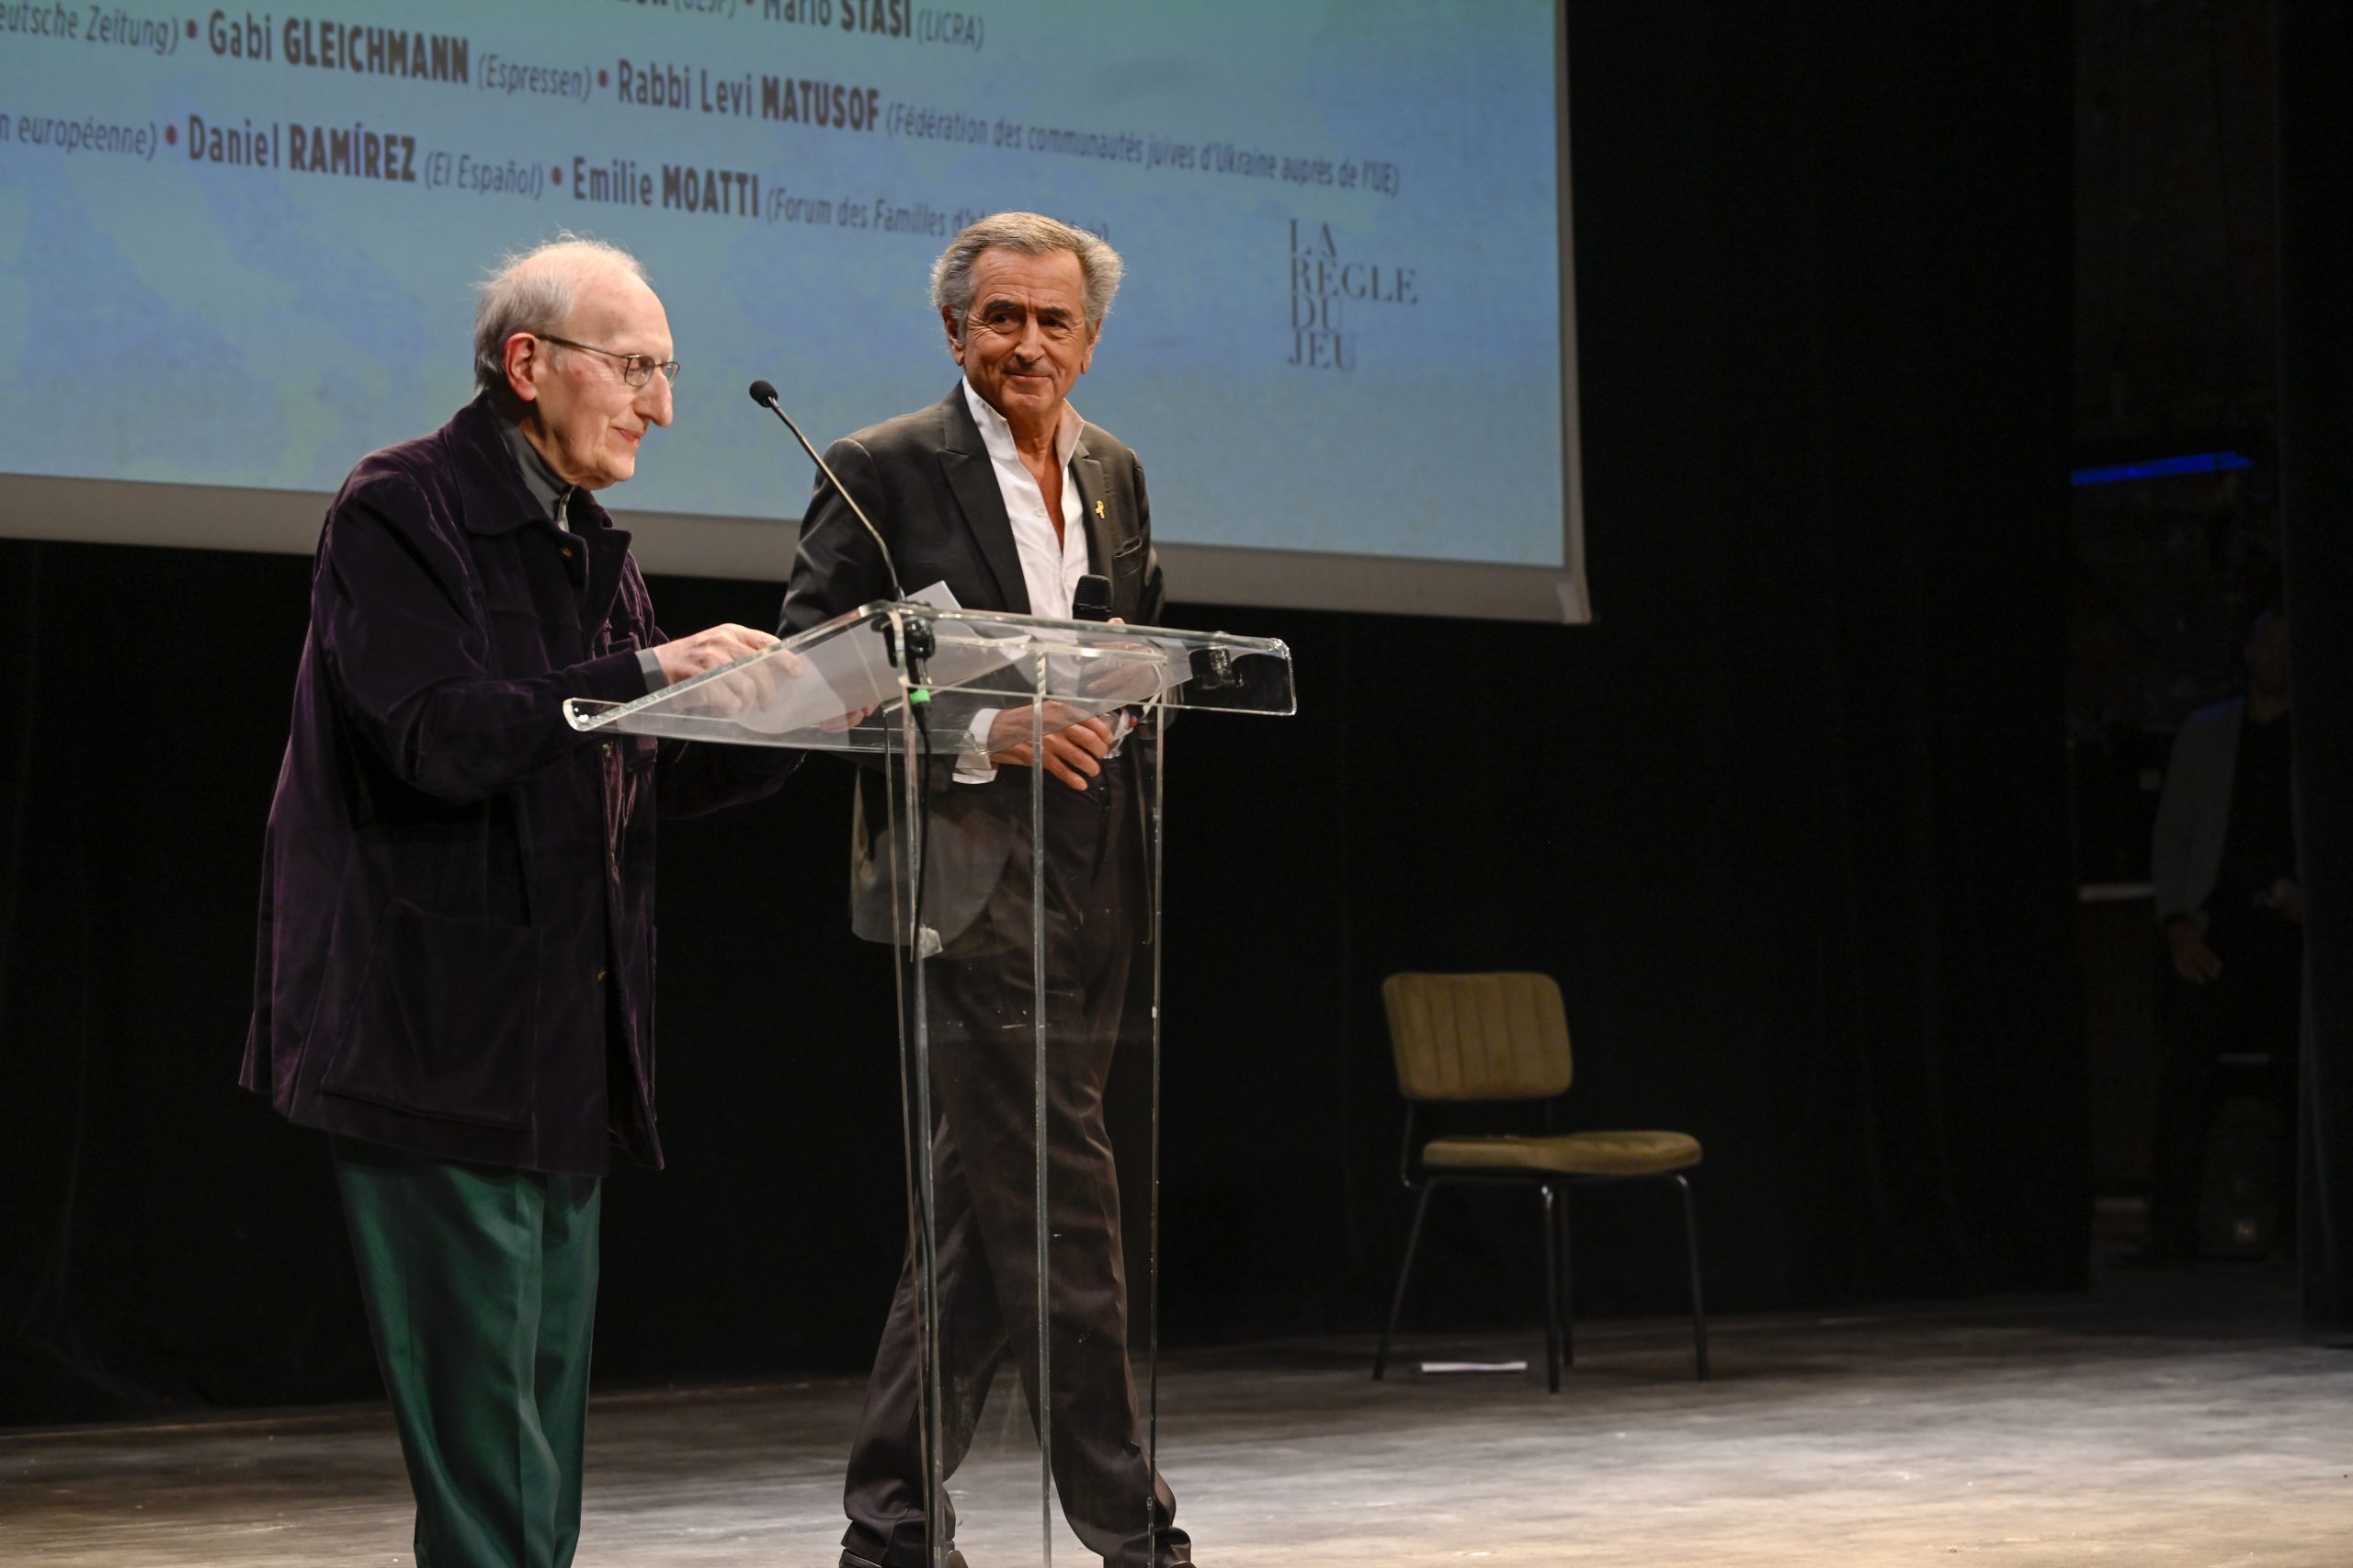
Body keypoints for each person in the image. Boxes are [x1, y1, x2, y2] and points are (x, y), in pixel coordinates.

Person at [242, 236, 795, 1567]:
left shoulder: (586, 544)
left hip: (561, 1036)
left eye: (668, 373)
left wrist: (804, 723)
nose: (661, 406)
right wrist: (652, 667)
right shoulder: (401, 507)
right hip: (435, 1030)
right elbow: (436, 736)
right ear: (526, 362)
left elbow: (624, 779)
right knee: (491, 1453)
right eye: (638, 368)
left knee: (537, 1434)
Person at [779, 212, 1185, 1568]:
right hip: (966, 874)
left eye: (1052, 321)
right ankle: (1135, 1533)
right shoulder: (880, 468)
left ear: (1091, 337)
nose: (1027, 343)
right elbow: (811, 676)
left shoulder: (1115, 471)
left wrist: (1138, 672)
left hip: (1100, 865)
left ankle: (890, 1531)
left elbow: (1147, 634)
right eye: (1000, 318)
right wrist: (983, 726)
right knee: (1066, 1199)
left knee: (979, 1213)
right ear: (956, 331)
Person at [2136, 608, 2302, 1264]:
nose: (2275, 655)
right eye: (2266, 641)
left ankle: (2297, 1229)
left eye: (2289, 646)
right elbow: (2172, 834)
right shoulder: (2207, 735)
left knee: (2299, 1075)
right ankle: (2169, 1227)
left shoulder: (2318, 735)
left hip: (2288, 922)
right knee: (2186, 1071)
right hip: (2217, 920)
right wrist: (2176, 918)